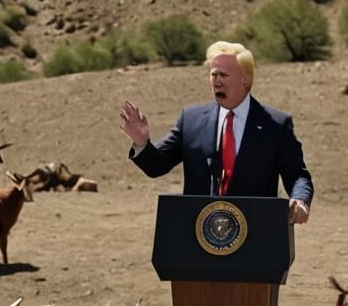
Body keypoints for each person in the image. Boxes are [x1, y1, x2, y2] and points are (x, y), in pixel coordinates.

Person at [119, 41, 312, 224]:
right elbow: (157, 166)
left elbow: (297, 175)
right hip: (200, 233)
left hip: (255, 231)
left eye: (224, 75)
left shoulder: (276, 125)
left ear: (245, 80)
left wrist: (299, 199)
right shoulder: (191, 119)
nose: (217, 82)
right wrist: (142, 143)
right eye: (213, 75)